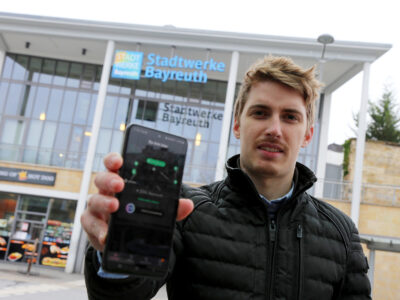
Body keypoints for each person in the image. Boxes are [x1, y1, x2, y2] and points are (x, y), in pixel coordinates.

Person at [81, 56, 371, 300]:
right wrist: (114, 248)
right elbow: (123, 294)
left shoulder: (341, 232)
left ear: (308, 133)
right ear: (236, 123)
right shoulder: (185, 210)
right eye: (260, 113)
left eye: (290, 117)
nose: (274, 129)